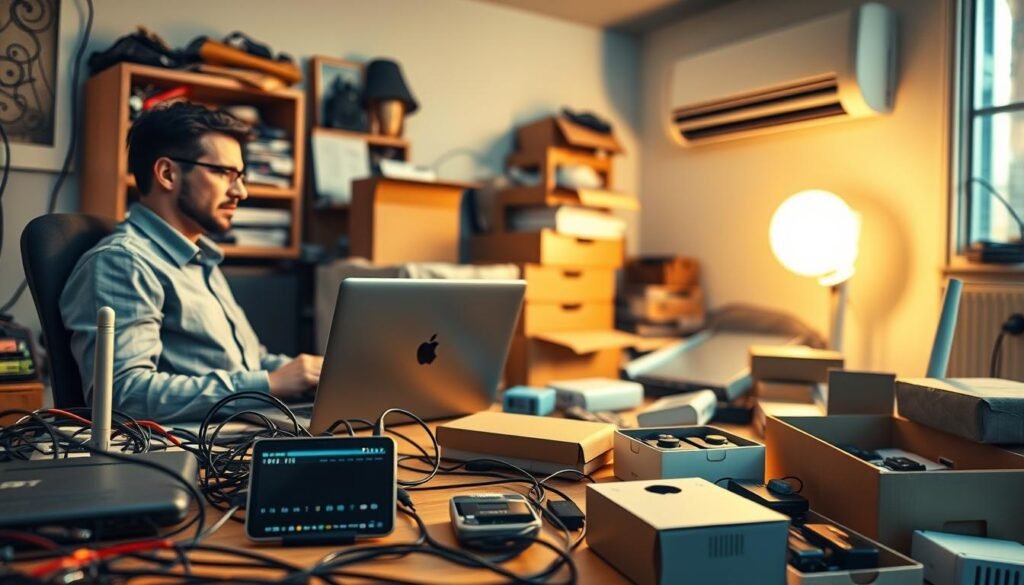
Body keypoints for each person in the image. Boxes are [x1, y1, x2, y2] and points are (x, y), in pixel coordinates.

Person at [60, 102, 322, 422]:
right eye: (225, 173)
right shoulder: (123, 263)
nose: (241, 190)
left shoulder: (201, 259)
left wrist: (310, 373)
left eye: (240, 175)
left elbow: (244, 362)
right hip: (193, 453)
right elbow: (123, 394)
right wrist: (268, 384)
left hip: (238, 429)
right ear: (168, 173)